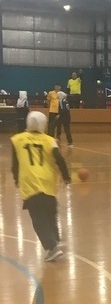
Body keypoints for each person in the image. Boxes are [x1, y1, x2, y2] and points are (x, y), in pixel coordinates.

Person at [11, 112, 71, 262]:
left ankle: (52, 247)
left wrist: (16, 179)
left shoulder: (17, 140)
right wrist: (66, 177)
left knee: (38, 218)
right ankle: (55, 239)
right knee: (50, 210)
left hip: (30, 182)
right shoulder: (49, 140)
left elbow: (15, 164)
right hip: (48, 181)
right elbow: (59, 159)